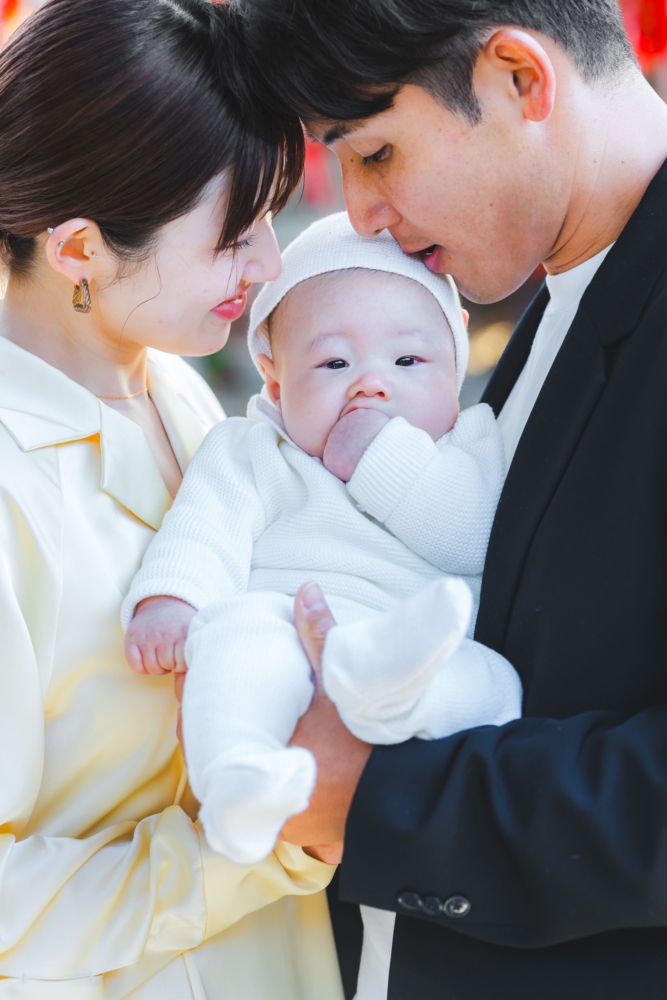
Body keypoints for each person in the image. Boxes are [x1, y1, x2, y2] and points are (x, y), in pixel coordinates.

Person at [230, 0, 667, 998]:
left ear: (518, 78)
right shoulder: (560, 290)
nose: (362, 213)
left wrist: (373, 798)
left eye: (376, 153)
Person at [0, 1, 344, 997]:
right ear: (78, 251)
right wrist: (256, 850)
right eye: (235, 236)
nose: (271, 266)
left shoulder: (172, 386)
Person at [121, 212, 523, 1000]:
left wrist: (381, 458)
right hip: (288, 626)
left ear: (453, 353)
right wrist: (171, 598)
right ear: (272, 379)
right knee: (233, 639)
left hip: (414, 651)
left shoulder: (472, 445)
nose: (371, 383)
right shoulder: (255, 448)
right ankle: (239, 781)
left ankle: (378, 679)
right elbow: (207, 523)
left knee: (494, 683)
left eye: (409, 358)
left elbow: (473, 543)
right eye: (333, 361)